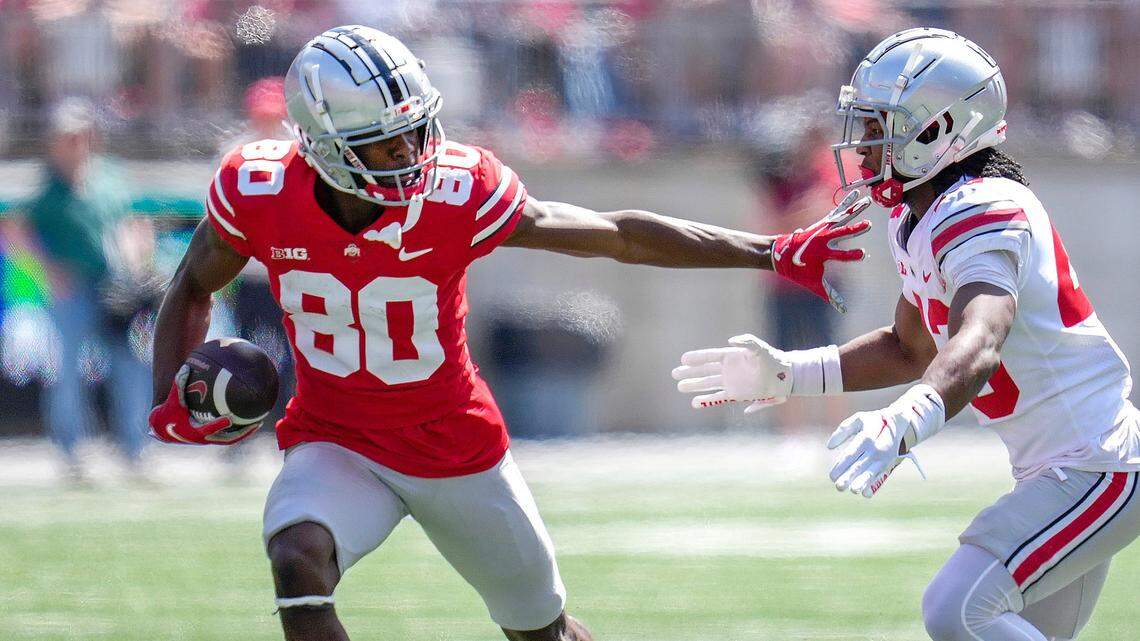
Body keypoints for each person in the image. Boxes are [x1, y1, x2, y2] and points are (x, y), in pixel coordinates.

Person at [147, 26, 869, 641]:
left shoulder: (456, 191)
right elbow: (190, 286)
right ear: (325, 147)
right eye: (387, 143)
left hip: (455, 446)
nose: (412, 153)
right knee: (297, 558)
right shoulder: (260, 190)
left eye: (415, 130)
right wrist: (167, 402)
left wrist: (768, 250)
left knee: (541, 631)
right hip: (337, 440)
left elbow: (617, 234)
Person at [673, 28, 1140, 641]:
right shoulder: (919, 215)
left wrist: (908, 418)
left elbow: (981, 337)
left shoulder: (982, 207)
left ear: (938, 130)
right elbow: (910, 346)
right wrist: (790, 372)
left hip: (1097, 465)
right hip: (1063, 469)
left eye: (877, 126)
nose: (862, 146)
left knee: (955, 609)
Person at [20, 98, 155, 480]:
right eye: (67, 137)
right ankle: (72, 451)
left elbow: (133, 220)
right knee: (66, 370)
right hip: (73, 287)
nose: (75, 143)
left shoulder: (109, 176)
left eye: (80, 135)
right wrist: (47, 270)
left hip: (115, 286)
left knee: (131, 365)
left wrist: (138, 261)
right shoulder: (47, 187)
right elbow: (19, 232)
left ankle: (135, 449)